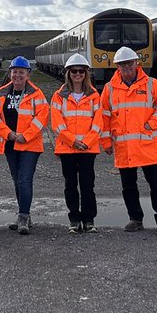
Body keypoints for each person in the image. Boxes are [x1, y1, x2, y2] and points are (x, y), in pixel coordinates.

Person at [100, 46, 157, 234]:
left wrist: (151, 124)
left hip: (148, 144)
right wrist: (106, 142)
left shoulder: (151, 84)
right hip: (124, 146)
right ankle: (135, 218)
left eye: (129, 63)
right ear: (117, 67)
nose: (126, 67)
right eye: (122, 65)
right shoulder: (109, 89)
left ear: (136, 63)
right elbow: (104, 116)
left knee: (156, 184)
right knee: (128, 185)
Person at [0, 56, 49, 235]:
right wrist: (8, 134)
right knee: (17, 181)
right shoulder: (1, 94)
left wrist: (26, 135)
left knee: (24, 180)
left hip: (29, 145)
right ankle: (25, 215)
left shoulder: (36, 94)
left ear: (28, 75)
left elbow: (42, 118)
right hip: (10, 143)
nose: (17, 75)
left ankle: (23, 217)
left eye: (21, 72)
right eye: (14, 72)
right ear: (10, 73)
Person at [49, 53, 102, 233]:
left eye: (81, 71)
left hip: (88, 148)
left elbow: (98, 122)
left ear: (86, 73)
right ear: (68, 73)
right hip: (67, 149)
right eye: (74, 71)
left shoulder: (94, 96)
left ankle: (89, 220)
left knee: (88, 185)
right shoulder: (58, 96)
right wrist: (73, 141)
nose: (78, 74)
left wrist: (86, 142)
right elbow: (57, 123)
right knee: (70, 185)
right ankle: (74, 219)